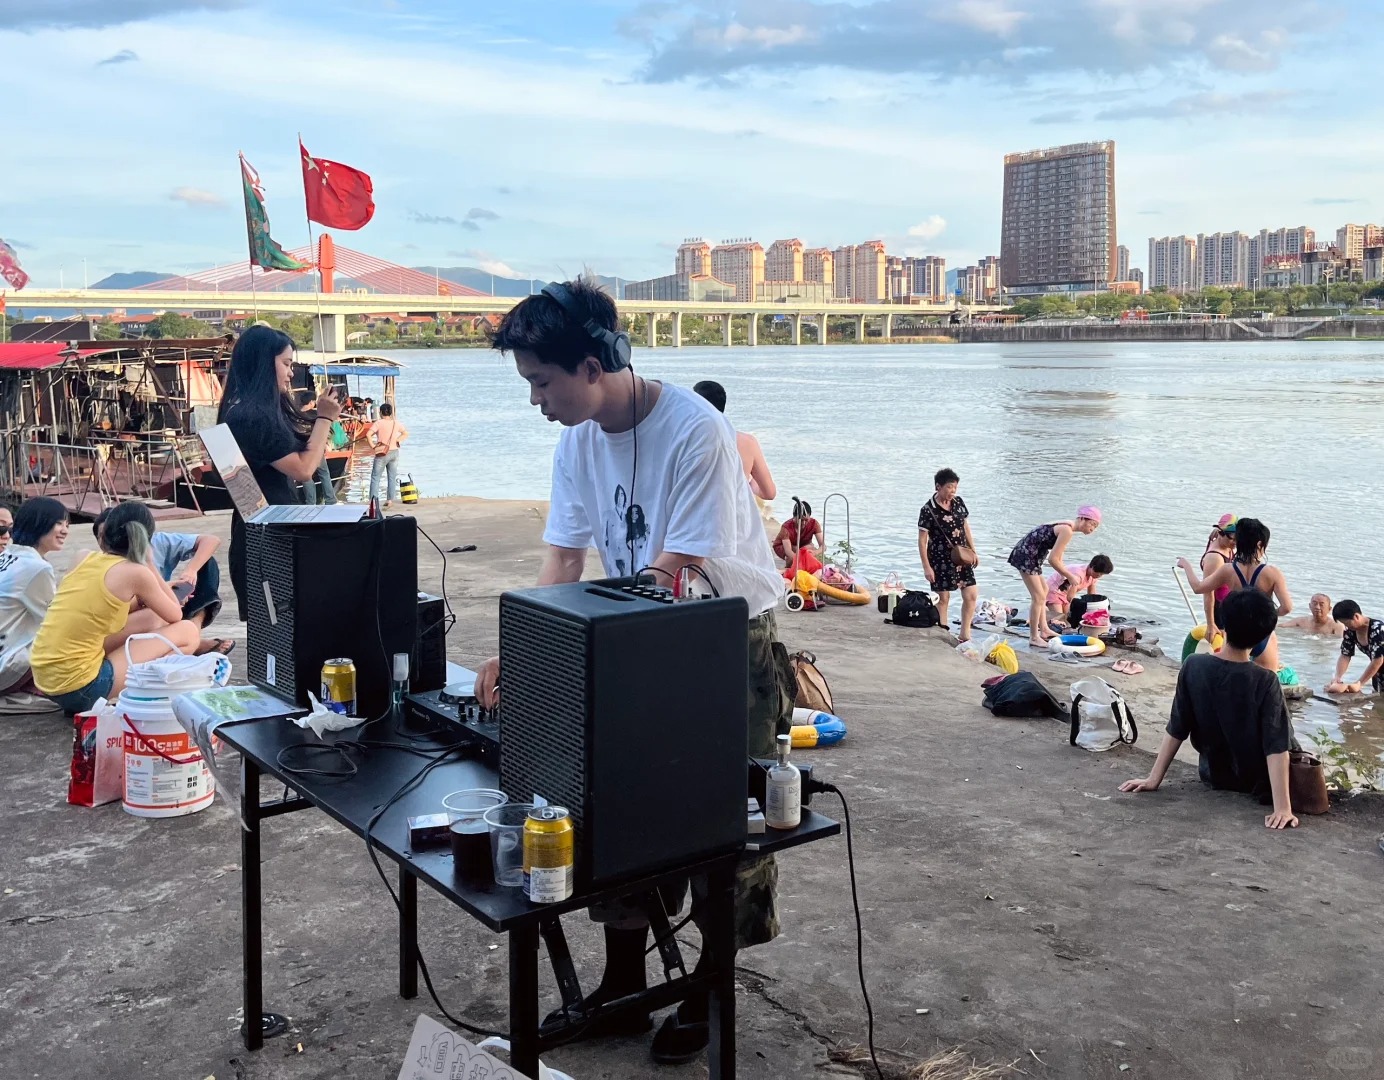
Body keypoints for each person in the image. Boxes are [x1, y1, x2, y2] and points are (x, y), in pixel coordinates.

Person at [477, 279, 790, 1065]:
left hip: (726, 644)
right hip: (628, 640)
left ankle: (704, 989)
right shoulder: (578, 440)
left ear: (593, 364)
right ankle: (622, 988)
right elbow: (563, 558)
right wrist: (521, 649)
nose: (536, 401)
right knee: (612, 809)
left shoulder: (697, 430)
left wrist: (572, 658)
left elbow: (668, 571)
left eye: (542, 383)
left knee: (726, 828)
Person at [1119, 589, 1299, 830]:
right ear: (1264, 637)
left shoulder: (1193, 665)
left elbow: (1177, 727)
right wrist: (1282, 808)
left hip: (1213, 774)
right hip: (1256, 782)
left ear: (1223, 624)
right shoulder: (1265, 680)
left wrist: (1154, 778)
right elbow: (1276, 745)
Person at [30, 503, 230, 715]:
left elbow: (102, 603)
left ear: (105, 533)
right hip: (82, 688)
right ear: (147, 539)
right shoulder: (136, 572)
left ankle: (104, 689)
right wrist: (149, 563)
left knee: (152, 618)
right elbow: (175, 613)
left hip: (45, 679)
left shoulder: (82, 557)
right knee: (188, 631)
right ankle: (142, 694)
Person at [217, 325, 342, 621]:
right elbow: (303, 469)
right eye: (286, 364)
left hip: (257, 535)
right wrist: (324, 418)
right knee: (281, 636)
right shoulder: (253, 418)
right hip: (268, 546)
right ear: (263, 364)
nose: (290, 373)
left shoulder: (237, 409)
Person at [1178, 517, 1291, 673]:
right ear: (1259, 544)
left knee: (1229, 679)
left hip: (1234, 636)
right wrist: (1268, 615)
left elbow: (1198, 588)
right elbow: (1287, 608)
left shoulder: (1228, 570)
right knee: (1264, 684)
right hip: (1261, 635)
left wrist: (1186, 565)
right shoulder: (1272, 573)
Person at [0, 497, 69, 713]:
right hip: (6, 664)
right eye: (58, 523)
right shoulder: (37, 568)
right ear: (38, 523)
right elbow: (55, 625)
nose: (65, 530)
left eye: (67, 524)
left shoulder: (7, 557)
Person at [1008, 507, 1102, 646]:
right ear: (1082, 518)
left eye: (1096, 526)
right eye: (1092, 524)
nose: (1093, 529)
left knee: (1044, 590)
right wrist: (1069, 576)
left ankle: (1044, 629)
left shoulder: (1067, 527)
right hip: (1026, 555)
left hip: (1034, 557)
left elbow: (1059, 558)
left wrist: (1065, 574)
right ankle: (1034, 637)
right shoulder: (1067, 530)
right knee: (1038, 597)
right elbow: (1053, 560)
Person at [918, 468, 979, 642]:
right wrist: (926, 567)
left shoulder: (958, 502)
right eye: (949, 487)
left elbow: (965, 527)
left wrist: (973, 551)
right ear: (938, 486)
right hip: (939, 559)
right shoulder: (928, 510)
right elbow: (922, 541)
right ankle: (943, 634)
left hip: (962, 556)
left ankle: (965, 634)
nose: (952, 491)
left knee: (971, 594)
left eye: (955, 488)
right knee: (943, 598)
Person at [692, 380, 777, 502]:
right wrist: (749, 484)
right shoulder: (748, 442)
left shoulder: (685, 441)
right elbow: (769, 493)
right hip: (735, 517)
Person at [1327, 600, 1384, 694]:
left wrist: (1360, 683)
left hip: (1378, 665)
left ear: (1356, 616)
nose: (1346, 626)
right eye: (1344, 624)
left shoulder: (1378, 629)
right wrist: (1338, 677)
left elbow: (1378, 660)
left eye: (1347, 623)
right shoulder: (1351, 630)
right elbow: (1345, 655)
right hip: (1378, 673)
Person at [1196, 514, 1237, 641]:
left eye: (1238, 539)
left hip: (1230, 605)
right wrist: (1210, 624)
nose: (1235, 543)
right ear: (1221, 534)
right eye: (1232, 539)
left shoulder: (1227, 546)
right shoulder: (1215, 557)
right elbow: (1208, 592)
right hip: (1220, 609)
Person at [1045, 553, 1113, 627]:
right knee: (1059, 619)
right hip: (1053, 590)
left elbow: (1092, 595)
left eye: (1101, 574)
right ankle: (1043, 615)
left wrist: (1095, 608)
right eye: (1098, 573)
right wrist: (1081, 606)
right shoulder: (1078, 574)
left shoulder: (1092, 576)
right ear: (1092, 567)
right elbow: (1070, 597)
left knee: (1067, 618)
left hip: (1064, 593)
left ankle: (1045, 614)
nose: (1099, 576)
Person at [367, 402, 408, 509]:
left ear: (380, 412)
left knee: (375, 477)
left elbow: (368, 434)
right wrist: (398, 440)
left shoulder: (378, 423)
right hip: (394, 452)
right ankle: (390, 500)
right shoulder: (396, 423)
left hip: (381, 453)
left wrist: (373, 446)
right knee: (392, 476)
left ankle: (373, 502)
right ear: (391, 413)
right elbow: (405, 433)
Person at [772, 497, 823, 571]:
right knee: (791, 557)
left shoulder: (814, 524)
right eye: (801, 520)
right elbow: (788, 551)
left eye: (806, 520)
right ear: (794, 517)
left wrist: (815, 553)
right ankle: (789, 570)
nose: (804, 523)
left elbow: (823, 545)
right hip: (783, 546)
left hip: (802, 545)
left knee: (810, 548)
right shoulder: (786, 527)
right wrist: (800, 562)